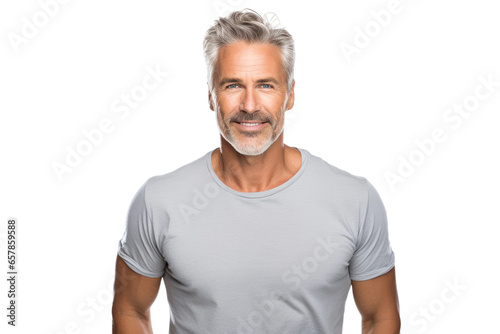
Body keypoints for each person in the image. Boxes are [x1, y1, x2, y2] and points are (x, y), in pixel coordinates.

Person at [112, 8, 400, 334]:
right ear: (211, 96)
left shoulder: (355, 200)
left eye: (265, 85)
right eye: (233, 85)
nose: (250, 106)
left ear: (290, 95)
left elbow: (379, 317)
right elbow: (130, 310)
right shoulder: (159, 201)